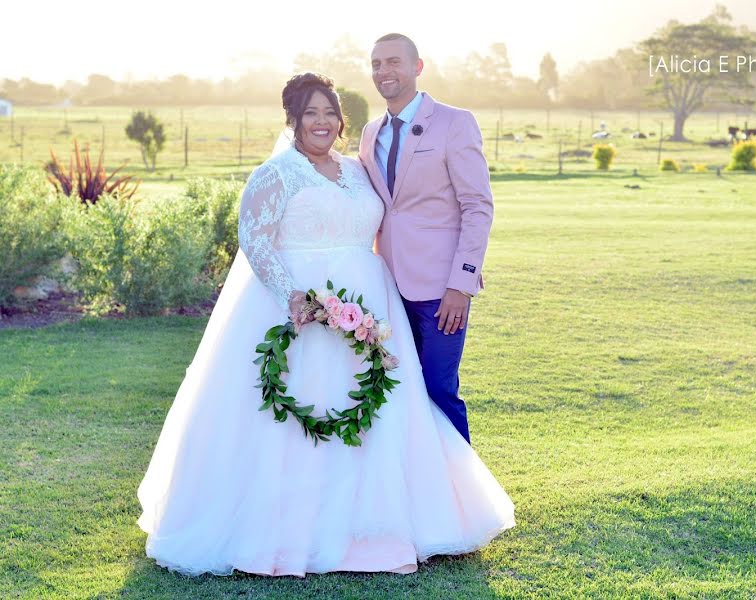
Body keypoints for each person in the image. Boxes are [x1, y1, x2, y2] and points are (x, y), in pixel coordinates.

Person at [137, 73, 514, 577]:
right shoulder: (276, 173)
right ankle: (291, 530)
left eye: (330, 113)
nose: (322, 122)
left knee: (383, 413)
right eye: (310, 113)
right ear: (292, 120)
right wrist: (292, 295)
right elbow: (255, 238)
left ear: (341, 122)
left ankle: (379, 527)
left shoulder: (358, 169)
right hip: (297, 307)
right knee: (297, 413)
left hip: (372, 304)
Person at [359, 33, 493, 444]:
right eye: (377, 63)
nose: (385, 71)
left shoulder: (455, 122)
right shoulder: (369, 133)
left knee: (438, 390)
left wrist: (461, 284)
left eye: (394, 62)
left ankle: (463, 499)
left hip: (441, 291)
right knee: (402, 395)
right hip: (387, 287)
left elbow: (478, 206)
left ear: (417, 67)